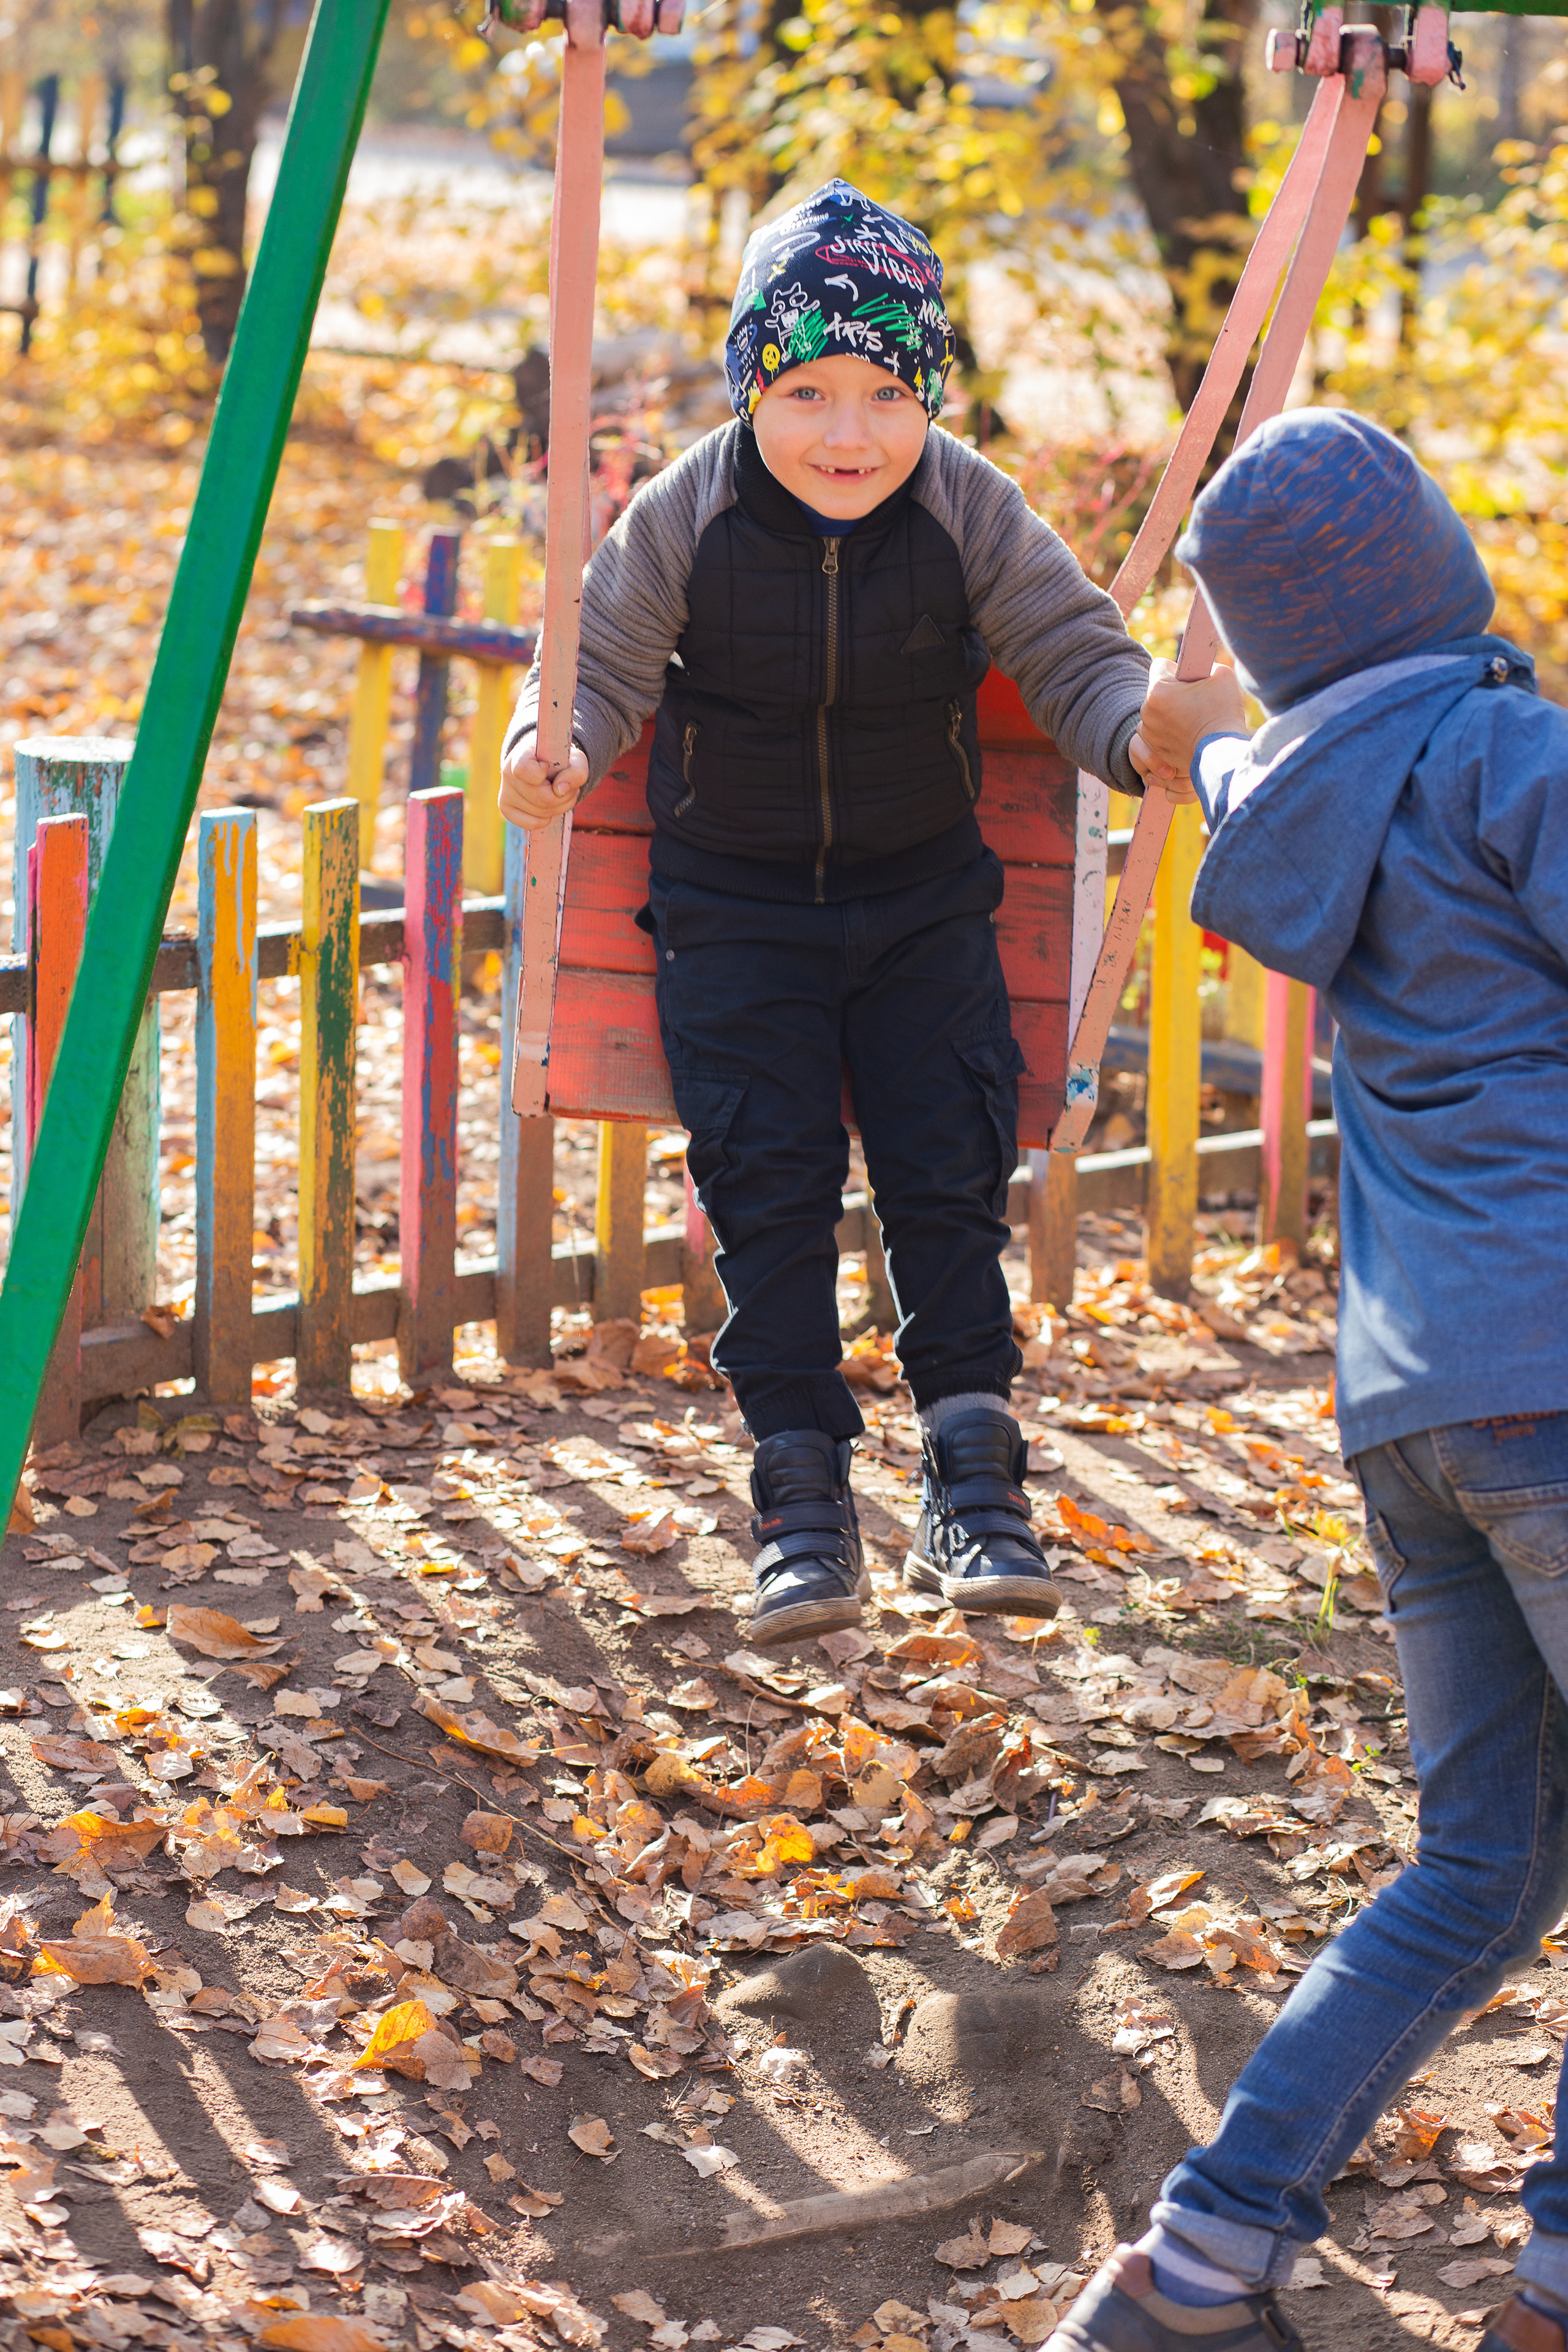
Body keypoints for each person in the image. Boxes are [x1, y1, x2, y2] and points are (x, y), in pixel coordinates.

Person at [500, 179, 1207, 1652]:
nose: (848, 433)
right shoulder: (685, 509)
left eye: (887, 393)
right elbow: (598, 659)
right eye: (806, 391)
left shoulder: (966, 504)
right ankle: (799, 1495)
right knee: (764, 1192)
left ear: (928, 394)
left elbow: (1071, 650)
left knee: (945, 1179)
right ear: (750, 385)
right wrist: (552, 739)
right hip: (732, 908)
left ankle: (971, 1470)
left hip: (918, 903)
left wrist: (1135, 733)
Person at [1044, 407, 1568, 2352]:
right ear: (1441, 567)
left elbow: (1224, 744)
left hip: (1416, 1409)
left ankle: (1196, 2267)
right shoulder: (1511, 754)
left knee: (1485, 1866)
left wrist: (1196, 729)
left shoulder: (1291, 795)